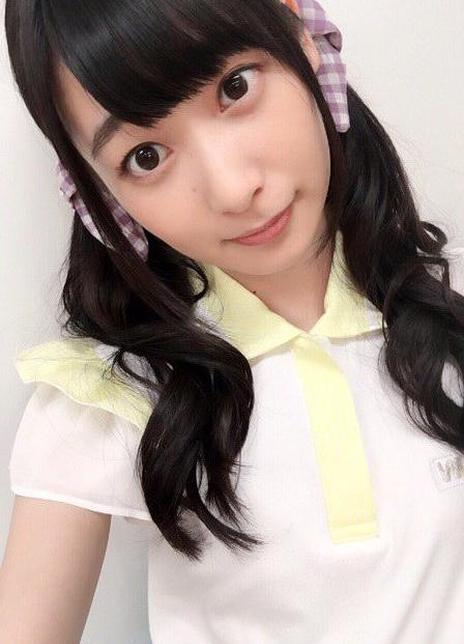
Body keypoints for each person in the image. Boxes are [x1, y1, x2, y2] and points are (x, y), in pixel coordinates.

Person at [1, 0, 463, 642]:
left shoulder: (451, 303)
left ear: (302, 38)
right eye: (146, 156)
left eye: (235, 88)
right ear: (97, 195)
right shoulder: (111, 398)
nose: (231, 189)